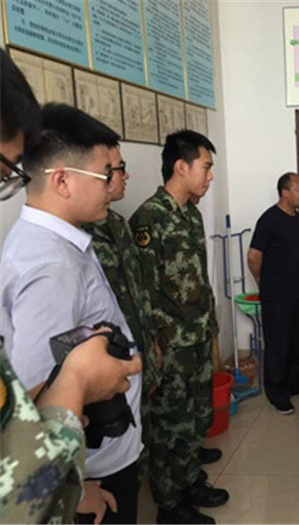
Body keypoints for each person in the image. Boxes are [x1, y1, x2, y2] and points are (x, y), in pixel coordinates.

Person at [0, 49, 142, 524]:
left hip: (96, 454)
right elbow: (33, 390)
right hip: (85, 472)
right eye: (105, 174)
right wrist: (74, 487)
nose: (112, 185)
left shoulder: (62, 242)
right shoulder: (50, 265)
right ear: (62, 180)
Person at [129, 130, 227, 525]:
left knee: (194, 418)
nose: (210, 176)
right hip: (170, 345)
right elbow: (143, 291)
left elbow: (197, 279)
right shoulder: (149, 219)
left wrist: (210, 328)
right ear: (181, 166)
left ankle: (188, 483)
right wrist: (155, 345)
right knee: (169, 425)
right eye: (206, 167)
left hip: (197, 336)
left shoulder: (190, 214)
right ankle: (169, 506)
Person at [82, 142, 161, 486]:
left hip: (138, 350)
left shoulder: (117, 224)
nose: (126, 176)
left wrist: (151, 340)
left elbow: (137, 289)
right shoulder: (78, 236)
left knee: (143, 433)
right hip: (105, 364)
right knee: (114, 459)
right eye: (118, 168)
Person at [247, 172, 299, 415]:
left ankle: (295, 384)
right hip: (276, 296)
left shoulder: (296, 217)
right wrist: (261, 281)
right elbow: (253, 256)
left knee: (297, 342)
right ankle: (277, 393)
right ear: (285, 192)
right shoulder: (269, 219)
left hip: (298, 293)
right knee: (278, 345)